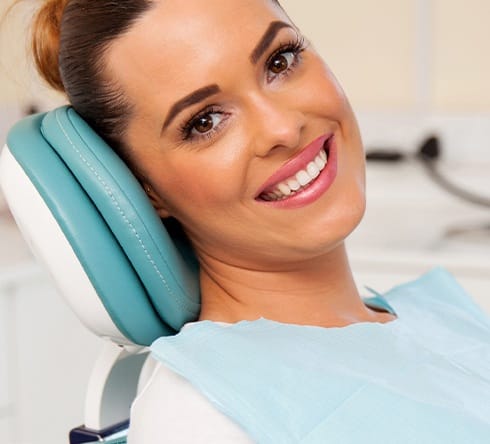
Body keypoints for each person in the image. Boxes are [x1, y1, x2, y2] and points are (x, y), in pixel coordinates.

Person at [15, 0, 490, 442]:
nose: (282, 128)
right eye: (204, 121)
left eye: (279, 62)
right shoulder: (204, 414)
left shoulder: (435, 314)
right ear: (145, 190)